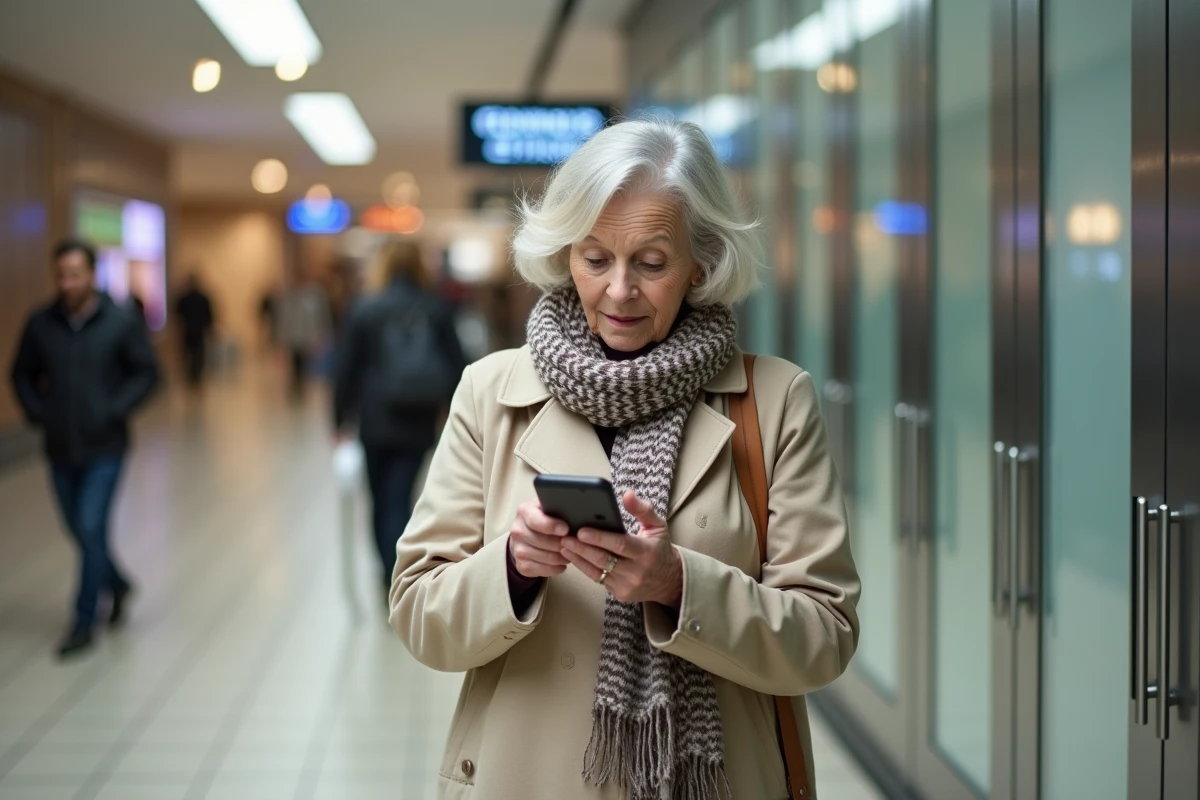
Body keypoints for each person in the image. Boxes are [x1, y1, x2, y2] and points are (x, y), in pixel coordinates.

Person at [390, 118, 861, 799]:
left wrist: (679, 585)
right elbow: (417, 613)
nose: (618, 290)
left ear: (702, 261)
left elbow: (826, 636)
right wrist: (514, 567)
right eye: (595, 258)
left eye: (651, 262)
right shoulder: (490, 392)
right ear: (565, 254)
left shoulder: (775, 400)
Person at [10, 238, 160, 658]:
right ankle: (118, 584)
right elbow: (21, 373)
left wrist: (115, 408)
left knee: (91, 527)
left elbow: (148, 374)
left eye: (75, 275)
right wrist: (38, 412)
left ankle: (83, 620)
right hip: (60, 445)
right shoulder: (41, 323)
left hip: (105, 445)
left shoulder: (120, 321)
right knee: (77, 529)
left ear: (93, 274)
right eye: (61, 275)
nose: (67, 284)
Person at [334, 241, 466, 599]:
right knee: (401, 498)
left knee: (380, 500)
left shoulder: (366, 308)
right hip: (418, 421)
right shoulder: (436, 308)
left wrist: (339, 421)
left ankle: (388, 574)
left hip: (374, 421)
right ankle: (401, 574)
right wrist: (455, 414)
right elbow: (459, 366)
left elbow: (346, 371)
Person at [275, 272, 332, 401]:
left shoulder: (314, 295)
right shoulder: (288, 296)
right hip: (293, 337)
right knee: (295, 363)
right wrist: (280, 339)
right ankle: (296, 387)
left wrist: (322, 335)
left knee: (305, 364)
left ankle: (302, 387)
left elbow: (321, 316)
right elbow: (283, 319)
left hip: (308, 337)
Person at [174, 273, 215, 389]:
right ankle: (196, 374)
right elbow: (209, 315)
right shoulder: (202, 298)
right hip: (198, 330)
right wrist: (209, 329)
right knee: (198, 353)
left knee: (189, 352)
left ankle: (192, 374)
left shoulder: (185, 298)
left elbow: (178, 314)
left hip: (188, 330)